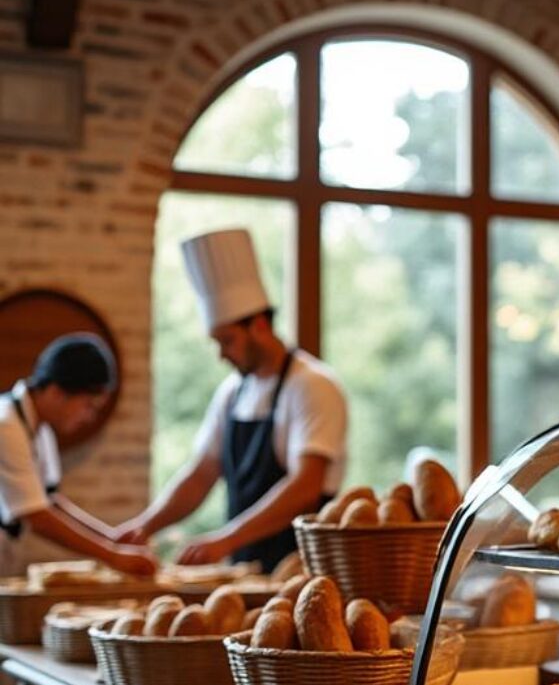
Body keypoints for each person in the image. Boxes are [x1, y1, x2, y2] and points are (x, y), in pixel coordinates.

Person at [119, 228, 348, 571]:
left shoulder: (313, 385)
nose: (221, 355)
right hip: (245, 570)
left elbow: (306, 487)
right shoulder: (232, 392)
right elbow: (201, 474)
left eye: (226, 340)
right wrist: (144, 527)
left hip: (301, 570)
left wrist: (225, 539)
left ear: (258, 325)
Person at [0, 334, 158, 579]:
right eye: (88, 405)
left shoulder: (39, 427)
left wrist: (111, 536)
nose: (89, 417)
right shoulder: (6, 425)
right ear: (56, 392)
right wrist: (113, 556)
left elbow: (50, 500)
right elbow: (36, 516)